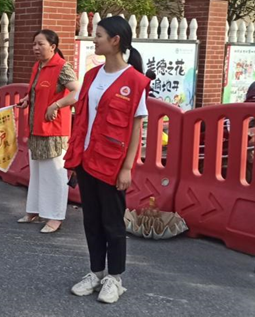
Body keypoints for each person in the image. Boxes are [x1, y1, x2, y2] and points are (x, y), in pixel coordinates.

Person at [63, 16, 150, 304]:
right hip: (87, 159)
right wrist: (75, 157)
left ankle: (115, 278)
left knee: (112, 223)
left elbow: (136, 127)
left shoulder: (135, 81)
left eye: (98, 35)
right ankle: (95, 272)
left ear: (115, 40)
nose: (94, 39)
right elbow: (82, 120)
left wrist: (127, 167)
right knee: (91, 221)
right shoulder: (91, 76)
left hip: (112, 164)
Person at [16, 30, 80, 233]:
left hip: (54, 130)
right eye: (34, 44)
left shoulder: (62, 67)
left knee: (54, 173)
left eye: (40, 44)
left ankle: (55, 217)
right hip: (36, 127)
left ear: (53, 46)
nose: (36, 48)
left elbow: (78, 91)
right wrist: (27, 99)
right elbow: (37, 91)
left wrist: (57, 105)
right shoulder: (38, 66)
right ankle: (34, 210)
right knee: (37, 172)